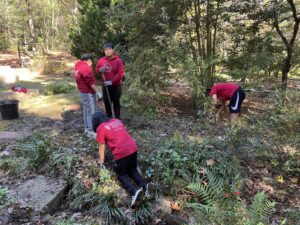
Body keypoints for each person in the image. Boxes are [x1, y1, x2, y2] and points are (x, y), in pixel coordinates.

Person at [92, 112, 154, 208]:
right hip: (133, 148)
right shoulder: (116, 121)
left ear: (95, 122)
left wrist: (101, 162)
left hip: (121, 152)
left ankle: (134, 192)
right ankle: (144, 187)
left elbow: (101, 146)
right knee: (132, 170)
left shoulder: (101, 128)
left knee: (121, 174)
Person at [74, 53, 102, 137]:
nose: (91, 63)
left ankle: (87, 128)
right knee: (92, 111)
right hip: (88, 93)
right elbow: (90, 82)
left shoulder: (78, 67)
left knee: (86, 110)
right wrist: (98, 92)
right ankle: (91, 131)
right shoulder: (86, 68)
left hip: (82, 92)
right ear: (88, 61)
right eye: (91, 61)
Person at [95, 43, 124, 119]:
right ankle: (109, 117)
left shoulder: (118, 61)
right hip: (105, 85)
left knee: (116, 102)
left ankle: (117, 118)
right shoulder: (101, 60)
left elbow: (120, 74)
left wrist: (111, 82)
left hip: (116, 86)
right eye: (105, 50)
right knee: (107, 102)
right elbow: (97, 69)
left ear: (113, 50)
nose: (107, 51)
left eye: (109, 49)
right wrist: (99, 70)